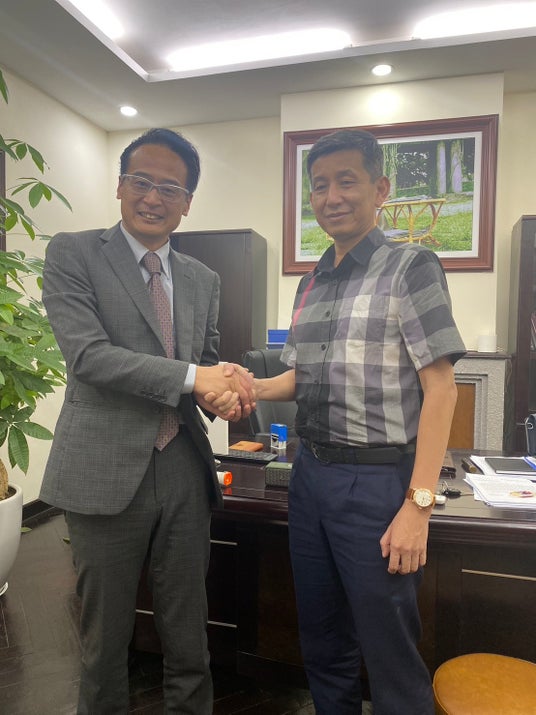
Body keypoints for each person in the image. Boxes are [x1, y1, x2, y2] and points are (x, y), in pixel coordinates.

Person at [238, 129, 465, 714]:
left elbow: (441, 389)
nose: (332, 196)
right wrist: (246, 388)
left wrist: (418, 506)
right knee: (321, 639)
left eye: (347, 181)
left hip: (378, 484)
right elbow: (300, 376)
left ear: (379, 189)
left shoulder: (411, 266)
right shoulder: (310, 282)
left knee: (389, 650)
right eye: (320, 185)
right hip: (310, 476)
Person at [40, 128, 255, 714]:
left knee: (188, 629)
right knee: (104, 638)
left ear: (188, 202)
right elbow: (89, 357)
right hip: (102, 470)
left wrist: (221, 396)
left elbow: (204, 362)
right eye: (141, 180)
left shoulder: (203, 279)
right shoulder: (74, 253)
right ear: (119, 186)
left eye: (170, 188)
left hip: (184, 465)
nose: (153, 197)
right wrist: (196, 377)